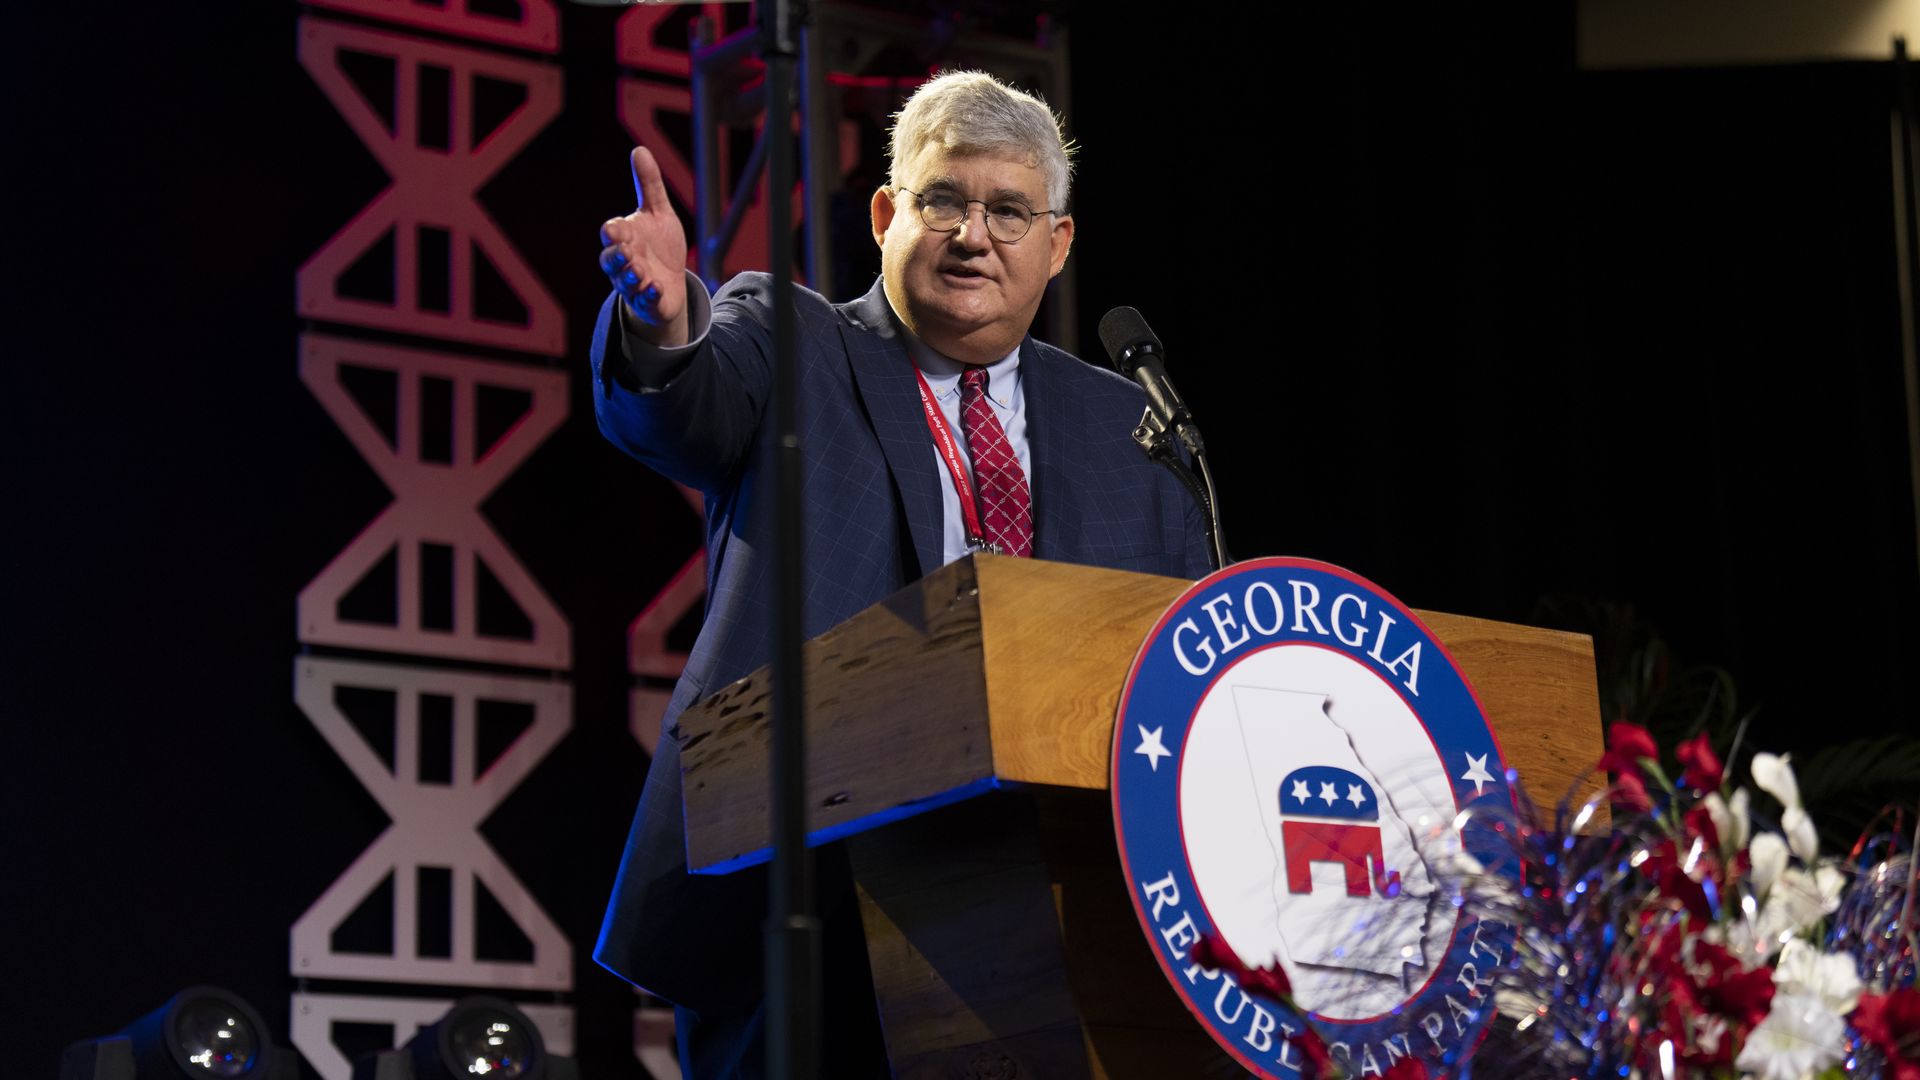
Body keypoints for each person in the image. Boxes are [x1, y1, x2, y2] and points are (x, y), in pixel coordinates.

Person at [589, 69, 1214, 1078]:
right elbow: (685, 407)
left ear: (1056, 244)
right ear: (887, 214)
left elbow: (1183, 656)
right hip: (809, 888)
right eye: (944, 201)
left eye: (1009, 210)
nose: (975, 234)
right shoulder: (794, 340)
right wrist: (668, 325)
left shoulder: (1126, 426)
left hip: (1068, 911)